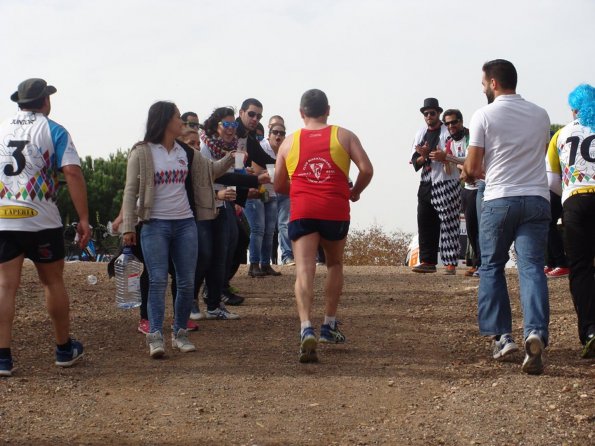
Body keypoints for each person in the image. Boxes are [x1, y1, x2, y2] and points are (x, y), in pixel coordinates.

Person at [463, 59, 551, 375]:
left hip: (500, 198)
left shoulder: (484, 115)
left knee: (492, 266)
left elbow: (473, 168)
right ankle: (536, 332)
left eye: (483, 83)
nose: (483, 87)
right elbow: (537, 155)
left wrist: (468, 171)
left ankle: (502, 337)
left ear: (494, 84)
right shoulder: (541, 114)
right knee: (531, 268)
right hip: (537, 199)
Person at [0, 78, 91, 377]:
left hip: (5, 217)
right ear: (45, 101)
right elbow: (73, 173)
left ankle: (3, 358)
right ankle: (64, 349)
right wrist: (84, 218)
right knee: (52, 282)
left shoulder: (2, 128)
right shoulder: (54, 129)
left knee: (5, 286)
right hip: (42, 219)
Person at [274, 89, 373, 363]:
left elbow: (279, 185)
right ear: (328, 109)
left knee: (304, 270)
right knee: (334, 264)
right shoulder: (344, 135)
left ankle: (306, 326)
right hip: (334, 209)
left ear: (301, 112)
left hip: (303, 210)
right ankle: (329, 325)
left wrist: (302, 187)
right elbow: (366, 169)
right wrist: (354, 192)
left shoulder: (288, 142)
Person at [121, 101, 201, 358]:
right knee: (157, 280)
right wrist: (128, 227)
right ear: (166, 120)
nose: (183, 123)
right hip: (154, 224)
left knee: (187, 281)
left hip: (185, 222)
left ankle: (180, 333)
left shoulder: (184, 151)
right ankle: (155, 336)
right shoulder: (142, 151)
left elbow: (208, 171)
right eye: (179, 118)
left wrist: (233, 158)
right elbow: (130, 190)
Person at [199, 107, 269, 318]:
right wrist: (253, 179)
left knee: (234, 243)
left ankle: (217, 294)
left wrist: (245, 177)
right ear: (216, 126)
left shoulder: (234, 146)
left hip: (226, 200)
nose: (230, 130)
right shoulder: (206, 146)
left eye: (232, 125)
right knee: (211, 253)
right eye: (226, 125)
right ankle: (210, 295)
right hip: (209, 203)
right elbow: (214, 176)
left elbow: (234, 173)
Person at [547, 83, 595, 359]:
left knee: (580, 267)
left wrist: (569, 190)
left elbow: (551, 182)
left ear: (574, 109)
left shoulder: (561, 134)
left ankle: (589, 329)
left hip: (575, 201)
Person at [411, 98, 461, 275]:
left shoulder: (448, 131)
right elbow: (415, 162)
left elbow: (459, 153)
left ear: (438, 113)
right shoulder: (420, 133)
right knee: (425, 222)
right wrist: (423, 156)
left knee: (448, 223)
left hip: (446, 182)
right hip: (426, 182)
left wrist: (444, 156)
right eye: (426, 114)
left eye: (432, 113)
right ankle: (427, 260)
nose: (429, 116)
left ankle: (450, 263)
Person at [440, 109, 480, 277]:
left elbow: (472, 160)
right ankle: (476, 263)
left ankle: (484, 264)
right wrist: (444, 159)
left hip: (483, 185)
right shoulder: (449, 142)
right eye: (448, 123)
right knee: (471, 227)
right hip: (467, 187)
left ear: (461, 122)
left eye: (454, 122)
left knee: (483, 226)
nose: (451, 126)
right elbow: (450, 169)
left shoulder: (471, 137)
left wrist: (451, 159)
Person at [543, 129, 570, 279]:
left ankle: (561, 263)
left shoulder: (557, 140)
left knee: (549, 224)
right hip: (554, 188)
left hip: (556, 188)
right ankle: (552, 262)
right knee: (548, 224)